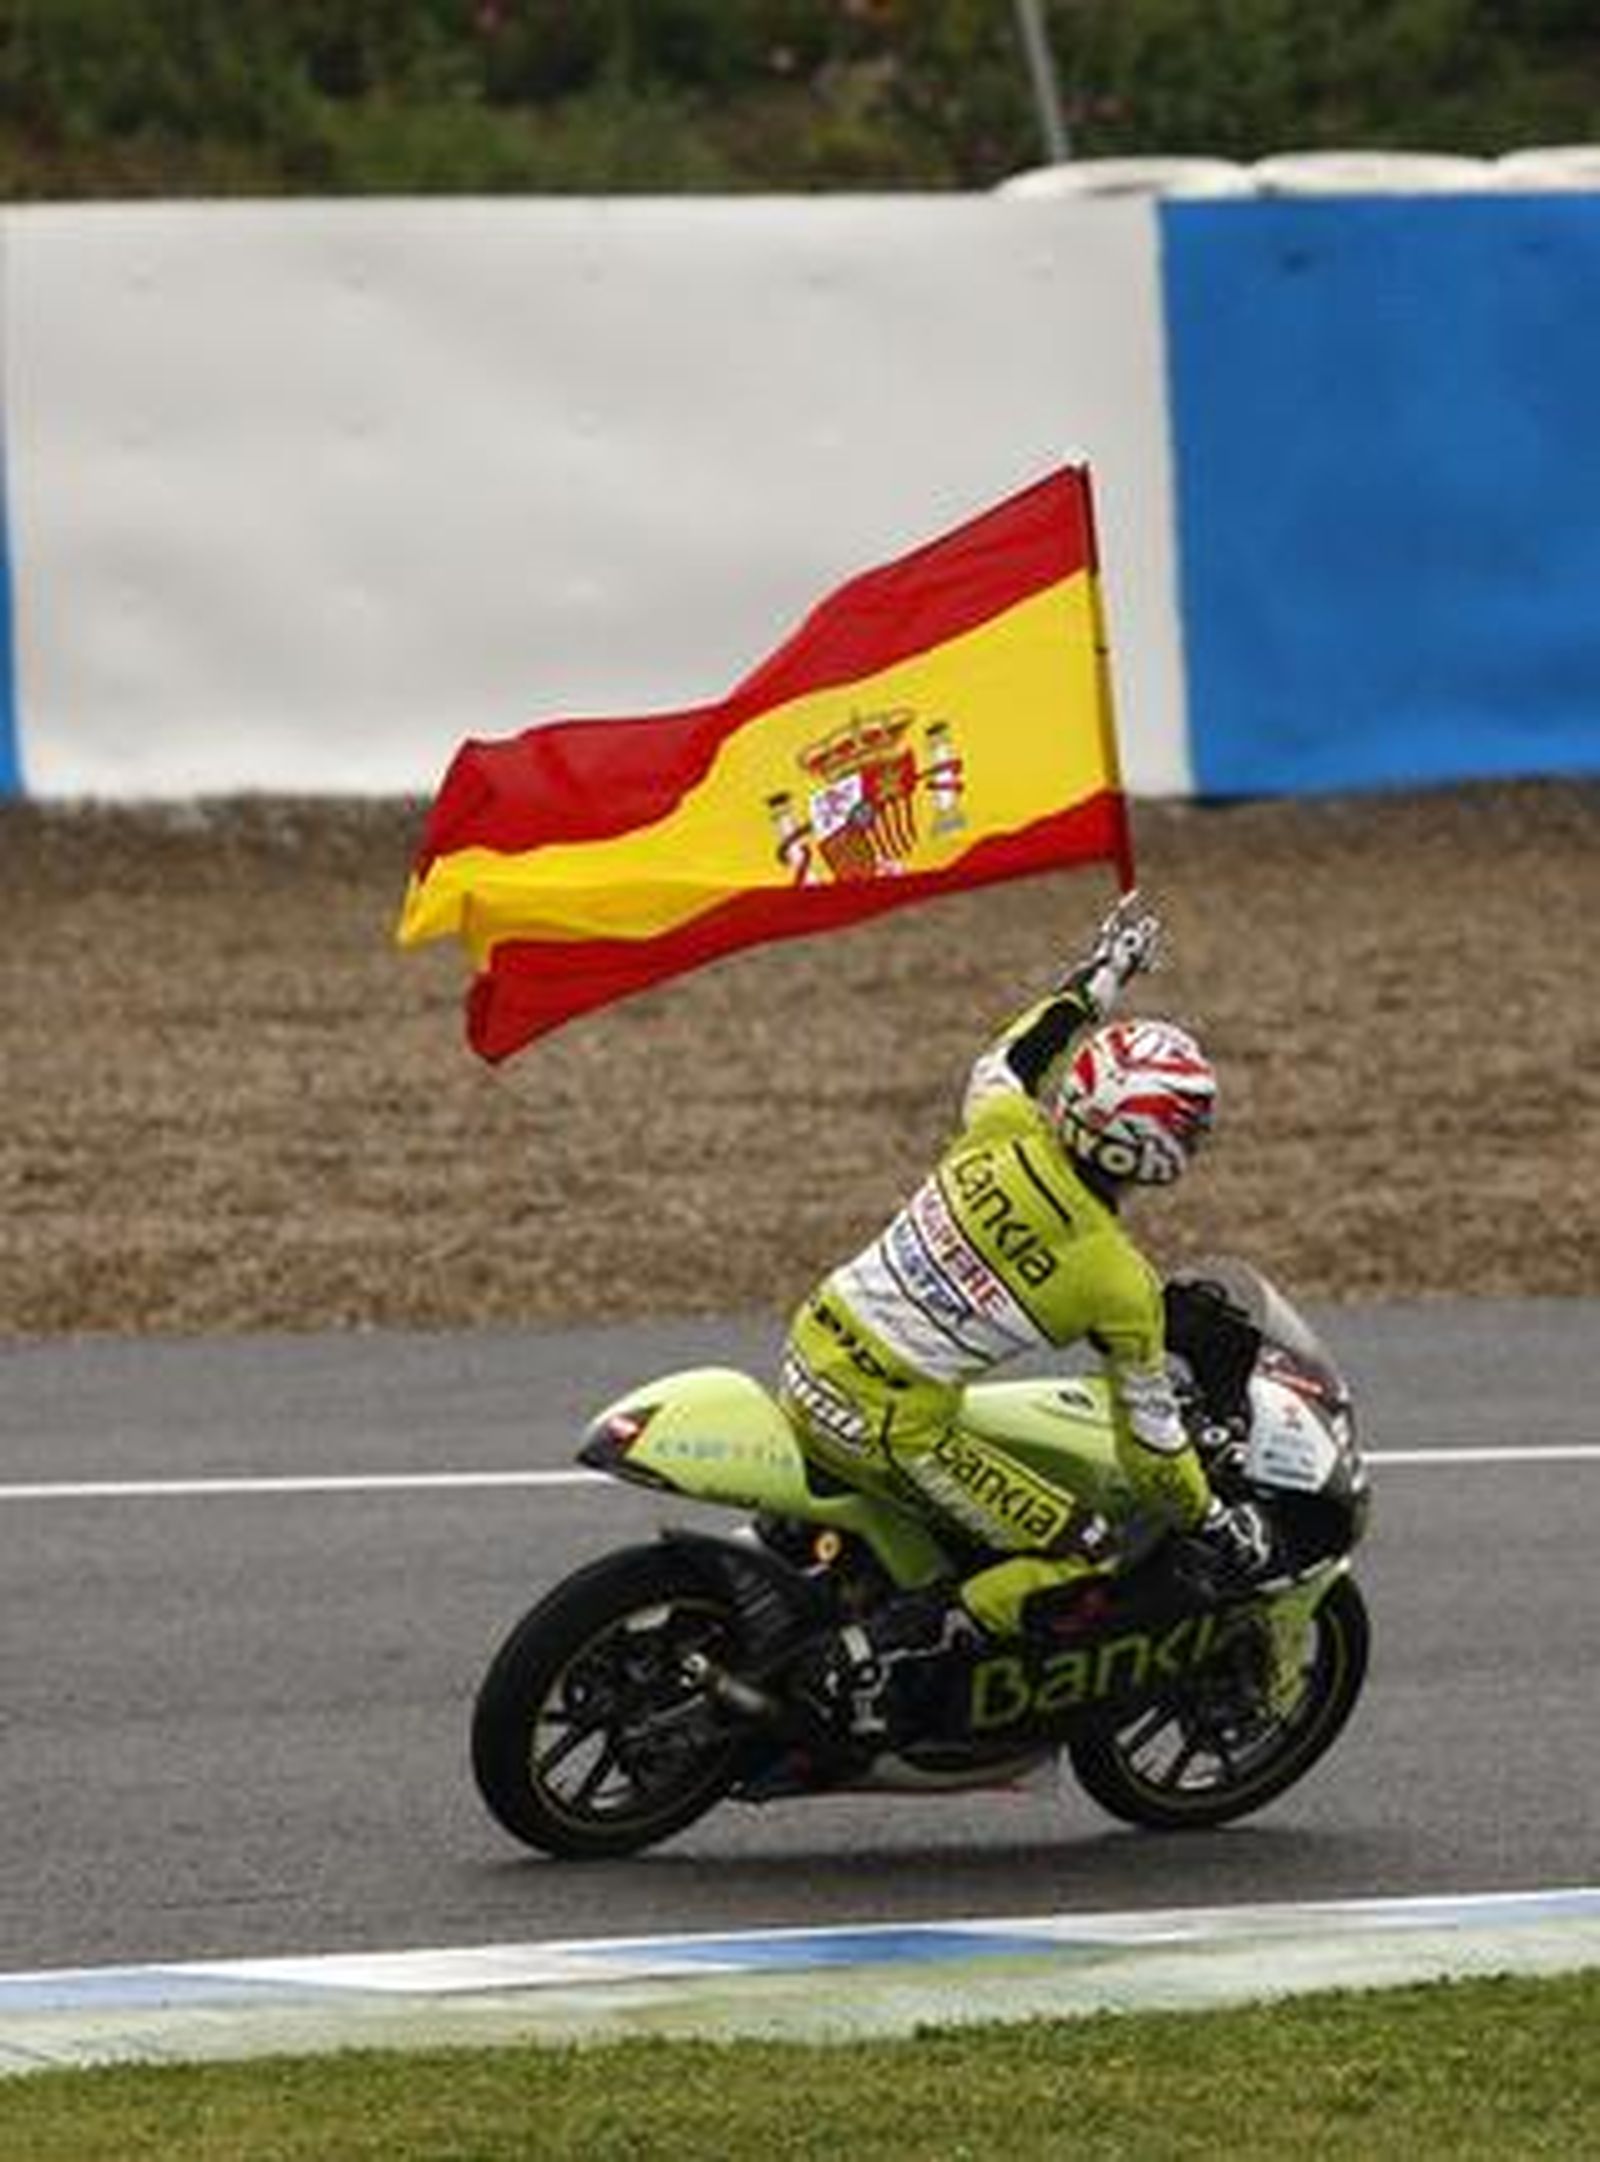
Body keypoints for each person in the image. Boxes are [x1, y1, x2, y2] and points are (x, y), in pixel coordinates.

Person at [777, 893, 1272, 1747]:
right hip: (889, 1424)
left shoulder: (997, 1125)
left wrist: (1104, 975)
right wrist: (1209, 1520)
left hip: (808, 1348)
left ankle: (864, 1593)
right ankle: (879, 1648)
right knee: (1085, 1548)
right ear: (1156, 1153)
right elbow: (1152, 1451)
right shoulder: (1114, 1281)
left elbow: (1017, 1048)